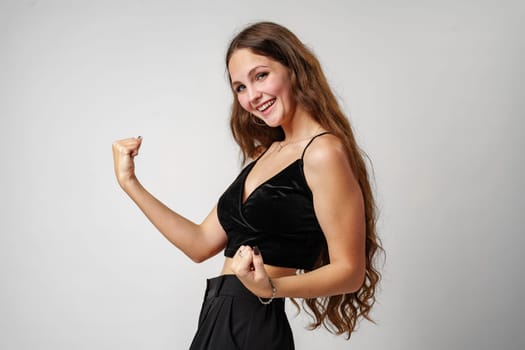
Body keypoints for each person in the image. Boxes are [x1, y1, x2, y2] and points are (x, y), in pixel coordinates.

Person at [112, 21, 382, 350]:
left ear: (293, 68)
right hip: (217, 315)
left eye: (261, 75)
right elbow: (199, 244)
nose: (252, 96)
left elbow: (350, 271)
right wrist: (130, 182)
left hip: (254, 323)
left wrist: (269, 287)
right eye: (240, 87)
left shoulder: (322, 152)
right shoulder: (263, 154)